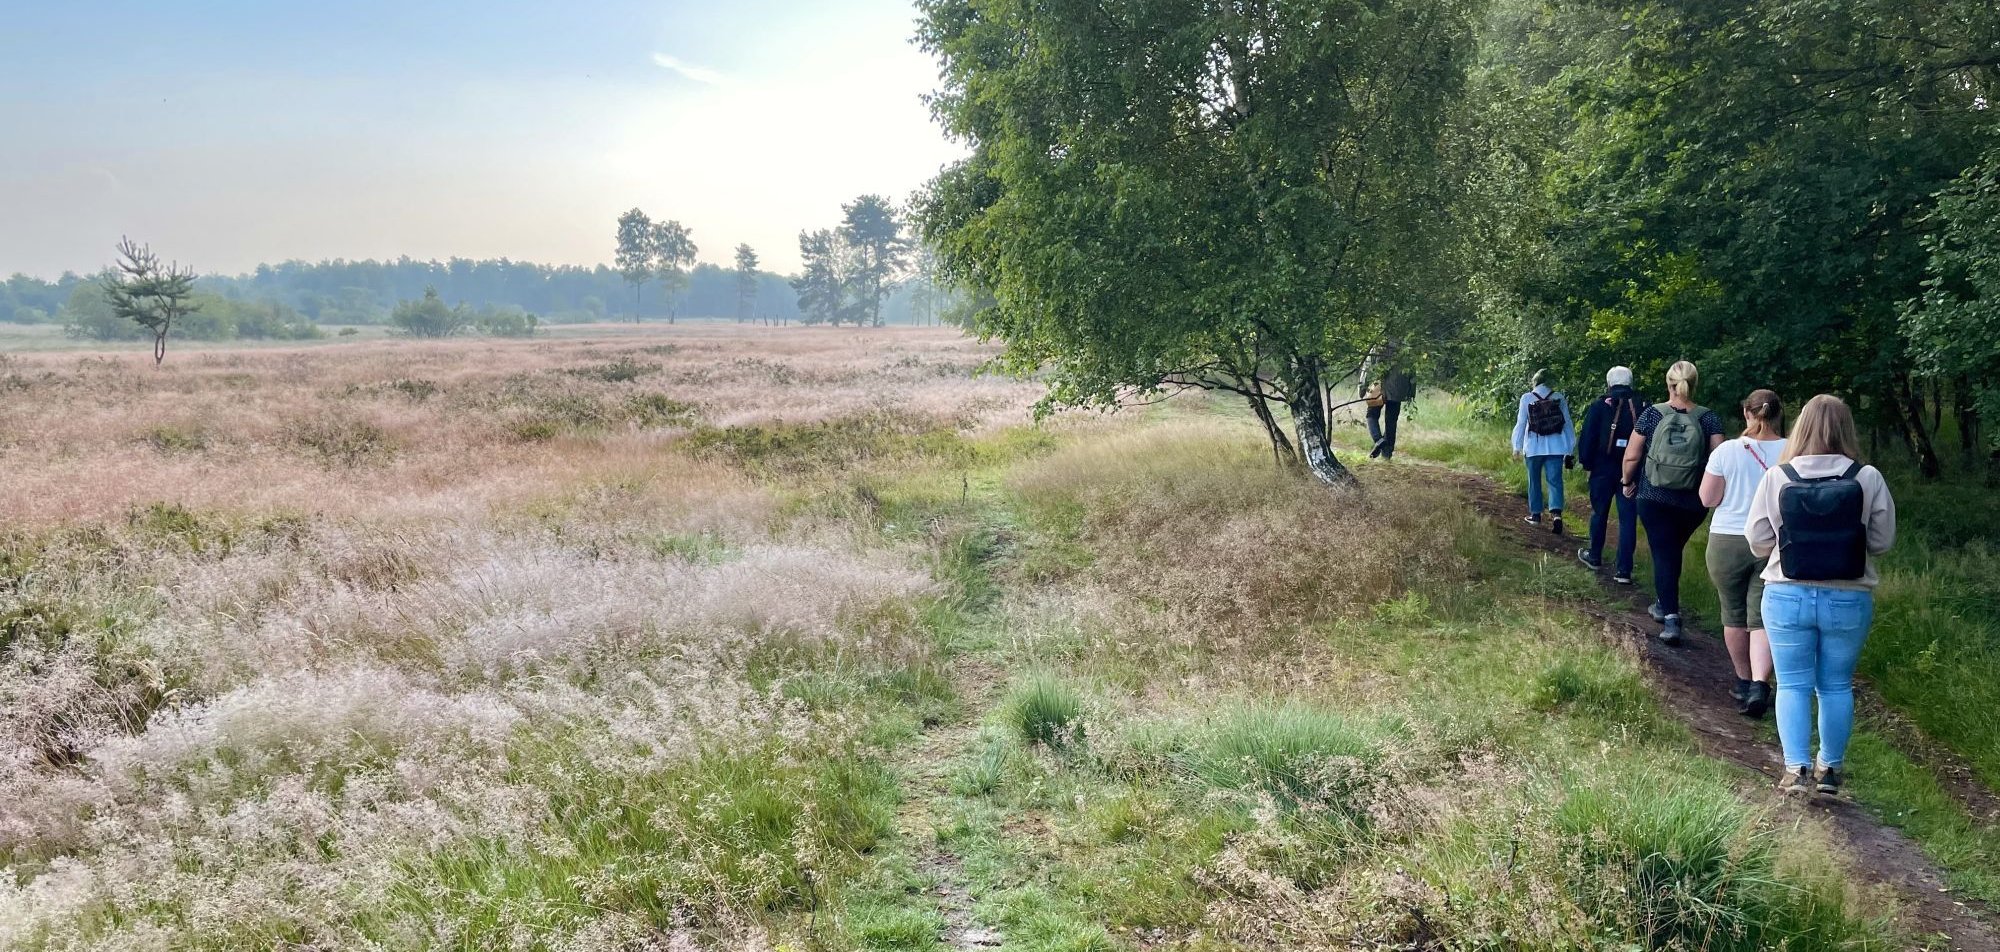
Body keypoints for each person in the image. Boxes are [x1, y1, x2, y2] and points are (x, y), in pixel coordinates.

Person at [1746, 395, 1896, 797]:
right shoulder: (1867, 477)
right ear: (1847, 428)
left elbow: (1758, 541)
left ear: (1802, 427)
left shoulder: (1779, 476)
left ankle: (1796, 770)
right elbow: (1881, 542)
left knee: (1792, 685)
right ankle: (1828, 769)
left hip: (1787, 594)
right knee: (1835, 685)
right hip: (1848, 596)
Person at [1621, 361, 1724, 644]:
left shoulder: (1652, 414)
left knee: (1664, 552)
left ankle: (1671, 617)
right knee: (1671, 550)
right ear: (1695, 383)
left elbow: (1631, 456)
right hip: (1692, 500)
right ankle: (1663, 602)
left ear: (1668, 383)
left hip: (1654, 495)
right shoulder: (1709, 418)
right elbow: (1720, 460)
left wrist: (1627, 482)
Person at [1699, 390, 1786, 717]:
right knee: (1762, 614)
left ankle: (1743, 680)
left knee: (1733, 613)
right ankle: (1760, 685)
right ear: (1778, 414)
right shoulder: (1791, 450)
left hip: (1727, 540)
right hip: (1773, 540)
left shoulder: (1726, 450)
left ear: (1746, 413)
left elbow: (1707, 498)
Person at [1576, 366, 1644, 585]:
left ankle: (1594, 555)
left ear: (1609, 384)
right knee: (1627, 519)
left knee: (1599, 512)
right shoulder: (1642, 406)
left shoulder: (1599, 406)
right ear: (1630, 383)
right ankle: (1624, 570)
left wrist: (1587, 464)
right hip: (1631, 471)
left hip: (1602, 469)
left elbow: (1588, 437)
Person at [1511, 369, 1575, 534]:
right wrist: (1569, 448)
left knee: (1534, 481)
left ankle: (1536, 515)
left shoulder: (1527, 398)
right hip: (1556, 447)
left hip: (1533, 447)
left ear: (1535, 381)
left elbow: (1521, 423)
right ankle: (1556, 515)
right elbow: (1567, 424)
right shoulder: (1559, 397)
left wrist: (1516, 447)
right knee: (1555, 481)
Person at [1359, 346, 1415, 460]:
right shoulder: (1406, 346)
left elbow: (1368, 367)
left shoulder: (1379, 345)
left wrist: (1362, 387)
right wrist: (1411, 391)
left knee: (1371, 415)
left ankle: (1379, 441)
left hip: (1379, 388)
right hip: (1399, 389)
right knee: (1391, 421)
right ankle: (1387, 454)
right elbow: (1412, 371)